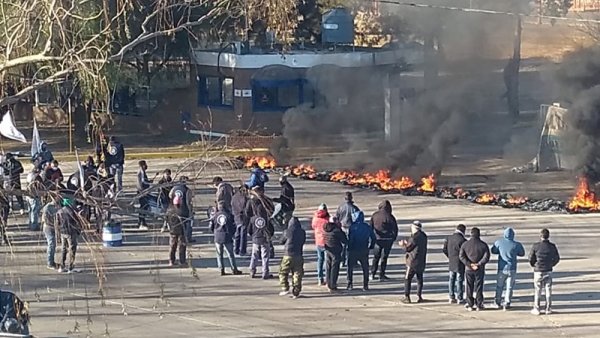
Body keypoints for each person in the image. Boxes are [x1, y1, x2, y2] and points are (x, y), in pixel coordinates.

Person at [491, 227, 525, 310]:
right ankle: (507, 302)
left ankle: (497, 302)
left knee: (499, 286)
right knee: (509, 287)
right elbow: (522, 253)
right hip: (512, 268)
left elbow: (493, 251)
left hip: (502, 268)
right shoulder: (516, 244)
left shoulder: (499, 242)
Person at [529, 228, 560, 315]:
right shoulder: (552, 246)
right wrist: (551, 264)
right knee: (548, 289)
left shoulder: (536, 246)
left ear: (540, 236)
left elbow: (531, 258)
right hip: (548, 270)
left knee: (538, 289)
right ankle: (548, 308)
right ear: (548, 236)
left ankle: (537, 308)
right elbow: (557, 258)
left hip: (538, 270)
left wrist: (534, 265)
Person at [459, 227, 491, 311]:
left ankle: (470, 304)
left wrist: (469, 264)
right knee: (479, 286)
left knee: (469, 286)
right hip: (479, 269)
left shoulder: (465, 244)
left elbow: (461, 256)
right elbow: (486, 257)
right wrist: (479, 264)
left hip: (468, 269)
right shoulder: (483, 245)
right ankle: (479, 304)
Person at [246, 188, 275, 279]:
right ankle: (265, 273)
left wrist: (252, 235)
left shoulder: (253, 219)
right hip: (264, 238)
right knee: (265, 256)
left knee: (254, 255)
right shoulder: (266, 219)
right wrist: (270, 235)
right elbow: (271, 228)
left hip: (255, 238)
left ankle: (252, 270)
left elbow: (249, 230)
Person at [399, 221, 428, 303]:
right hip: (421, 261)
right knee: (419, 279)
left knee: (407, 279)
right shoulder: (424, 236)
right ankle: (419, 295)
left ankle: (407, 296)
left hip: (412, 262)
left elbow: (408, 249)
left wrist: (403, 245)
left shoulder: (414, 238)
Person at [209, 201, 241, 275]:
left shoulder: (215, 215)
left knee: (219, 254)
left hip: (218, 236)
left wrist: (214, 232)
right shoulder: (229, 215)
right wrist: (232, 234)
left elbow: (211, 227)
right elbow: (233, 226)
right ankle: (234, 269)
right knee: (230, 254)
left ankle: (221, 269)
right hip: (227, 236)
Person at [346, 211, 376, 291]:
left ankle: (350, 284)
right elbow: (373, 237)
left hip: (353, 250)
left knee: (350, 267)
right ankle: (365, 285)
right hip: (364, 249)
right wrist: (371, 246)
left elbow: (351, 239)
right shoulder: (367, 227)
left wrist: (349, 247)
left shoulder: (352, 227)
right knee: (365, 268)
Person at [370, 200, 398, 281]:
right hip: (387, 240)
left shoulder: (375, 215)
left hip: (377, 239)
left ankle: (372, 273)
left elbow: (370, 227)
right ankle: (381, 274)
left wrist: (372, 237)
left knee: (376, 257)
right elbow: (395, 228)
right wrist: (393, 237)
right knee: (384, 258)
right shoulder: (390, 216)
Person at [279, 217, 306, 299]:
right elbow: (303, 241)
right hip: (298, 254)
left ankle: (285, 287)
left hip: (288, 254)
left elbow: (281, 241)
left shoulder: (287, 231)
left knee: (283, 272)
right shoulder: (302, 232)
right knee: (297, 273)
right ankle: (296, 290)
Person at [443, 224, 467, 304]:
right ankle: (460, 297)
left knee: (451, 279)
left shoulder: (449, 238)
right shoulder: (463, 240)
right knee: (459, 280)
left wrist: (449, 256)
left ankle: (451, 296)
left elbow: (444, 249)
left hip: (451, 261)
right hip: (460, 262)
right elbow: (465, 252)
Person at [57, 197, 82, 273]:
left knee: (64, 248)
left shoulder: (59, 211)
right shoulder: (72, 212)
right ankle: (70, 267)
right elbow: (77, 222)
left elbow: (57, 224)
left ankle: (62, 266)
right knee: (72, 249)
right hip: (70, 232)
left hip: (62, 232)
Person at [323, 216, 347, 292]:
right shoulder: (337, 231)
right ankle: (333, 285)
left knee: (328, 267)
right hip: (336, 250)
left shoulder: (325, 229)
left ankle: (328, 282)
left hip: (328, 249)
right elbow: (344, 240)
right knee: (334, 268)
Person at [336, 192, 359, 267]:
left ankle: (342, 261)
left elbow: (337, 217)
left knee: (343, 246)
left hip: (342, 227)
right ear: (351, 198)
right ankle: (353, 261)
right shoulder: (354, 208)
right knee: (352, 246)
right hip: (351, 228)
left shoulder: (340, 207)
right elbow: (357, 219)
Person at [169, 176, 194, 242]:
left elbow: (170, 195)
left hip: (175, 210)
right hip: (184, 210)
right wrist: (190, 211)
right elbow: (188, 201)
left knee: (176, 225)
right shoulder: (187, 190)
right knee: (187, 224)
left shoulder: (174, 188)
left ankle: (175, 239)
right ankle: (187, 238)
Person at [311, 203, 330, 286]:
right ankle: (327, 278)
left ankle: (320, 278)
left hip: (318, 241)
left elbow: (313, 226)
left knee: (320, 260)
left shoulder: (315, 218)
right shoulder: (327, 219)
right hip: (326, 242)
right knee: (327, 261)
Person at [136, 160, 154, 230]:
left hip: (143, 192)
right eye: (145, 165)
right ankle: (142, 222)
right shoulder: (141, 173)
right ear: (142, 165)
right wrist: (148, 185)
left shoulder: (142, 172)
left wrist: (149, 182)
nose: (146, 166)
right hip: (142, 192)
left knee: (144, 207)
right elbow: (142, 183)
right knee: (143, 207)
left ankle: (141, 221)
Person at [41, 198, 59, 269]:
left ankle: (51, 261)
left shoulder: (57, 206)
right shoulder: (48, 207)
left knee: (53, 244)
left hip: (53, 227)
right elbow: (45, 219)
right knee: (51, 244)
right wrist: (53, 224)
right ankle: (50, 263)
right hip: (48, 227)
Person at [231, 185, 249, 256]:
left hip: (236, 216)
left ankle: (236, 249)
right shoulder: (244, 198)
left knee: (237, 234)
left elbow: (232, 205)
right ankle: (242, 250)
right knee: (243, 234)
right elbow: (245, 208)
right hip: (243, 217)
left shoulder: (234, 197)